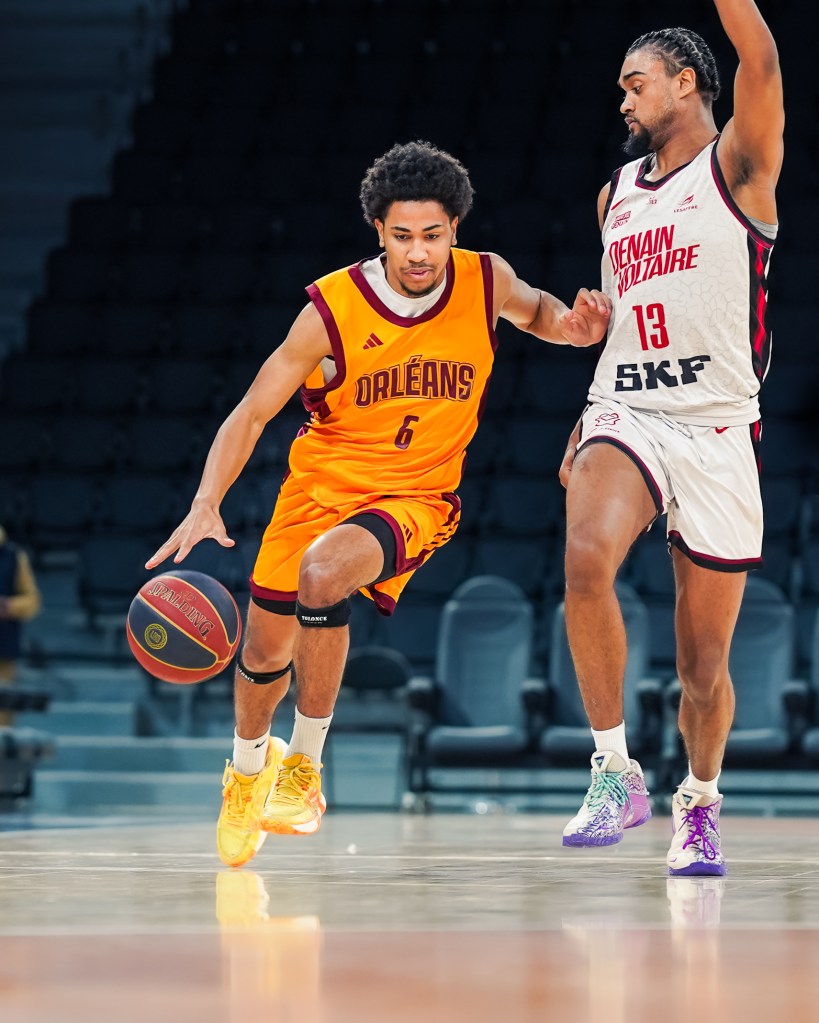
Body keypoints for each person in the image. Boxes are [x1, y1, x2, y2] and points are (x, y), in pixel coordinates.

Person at [146, 140, 612, 868]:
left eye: (432, 234)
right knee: (263, 653)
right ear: (378, 232)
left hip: (417, 495)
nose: (418, 252)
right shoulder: (330, 310)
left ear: (454, 229)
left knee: (323, 574)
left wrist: (571, 328)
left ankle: (303, 767)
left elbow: (538, 310)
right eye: (402, 236)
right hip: (317, 490)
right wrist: (208, 500)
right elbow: (252, 410)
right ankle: (245, 773)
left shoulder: (485, 279)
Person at [558, 1, 783, 876]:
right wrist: (588, 374)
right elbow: (621, 315)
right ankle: (613, 769)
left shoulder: (738, 165)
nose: (621, 101)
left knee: (702, 668)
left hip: (717, 425)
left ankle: (699, 800)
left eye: (635, 84)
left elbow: (760, 59)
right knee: (586, 556)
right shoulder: (613, 196)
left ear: (685, 83)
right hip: (628, 408)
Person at [0, 524, 42, 725]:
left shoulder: (13, 556)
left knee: (3, 717)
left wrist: (9, 606)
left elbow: (33, 601)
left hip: (3, 651)